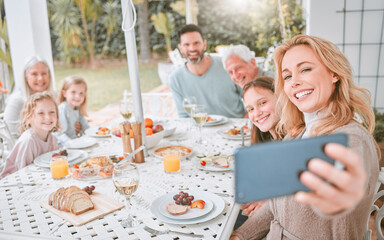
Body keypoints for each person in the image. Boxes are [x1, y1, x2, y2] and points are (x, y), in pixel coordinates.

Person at [231, 34, 379, 239]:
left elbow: (341, 194)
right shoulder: (296, 136)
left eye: (305, 69)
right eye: (288, 76)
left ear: (334, 73)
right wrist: (240, 235)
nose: (294, 82)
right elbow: (276, 207)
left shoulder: (351, 139)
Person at [233, 76, 282, 229]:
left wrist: (269, 200)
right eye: (251, 109)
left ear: (281, 98)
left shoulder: (292, 140)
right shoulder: (267, 138)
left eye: (262, 103)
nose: (257, 113)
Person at [169, 24, 246, 118]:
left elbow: (250, 97)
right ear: (180, 48)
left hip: (236, 128)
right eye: (186, 45)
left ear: (204, 45)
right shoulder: (176, 79)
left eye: (196, 43)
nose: (192, 48)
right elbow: (183, 117)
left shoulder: (227, 65)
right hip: (202, 130)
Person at [0, 92, 59, 178]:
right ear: (29, 118)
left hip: (40, 177)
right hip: (15, 181)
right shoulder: (28, 141)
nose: (48, 117)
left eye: (52, 112)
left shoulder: (52, 139)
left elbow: (55, 163)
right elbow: (24, 173)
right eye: (41, 113)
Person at [3, 56, 55, 138]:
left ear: (49, 76)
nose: (40, 78)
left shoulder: (54, 97)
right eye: (34, 74)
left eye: (44, 73)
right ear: (26, 77)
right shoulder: (17, 101)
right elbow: (11, 137)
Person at [55, 76, 89, 146]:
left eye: (81, 93)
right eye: (73, 92)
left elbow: (86, 128)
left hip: (75, 143)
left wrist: (93, 135)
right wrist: (73, 144)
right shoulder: (63, 109)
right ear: (64, 93)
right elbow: (60, 134)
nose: (77, 96)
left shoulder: (77, 109)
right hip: (65, 146)